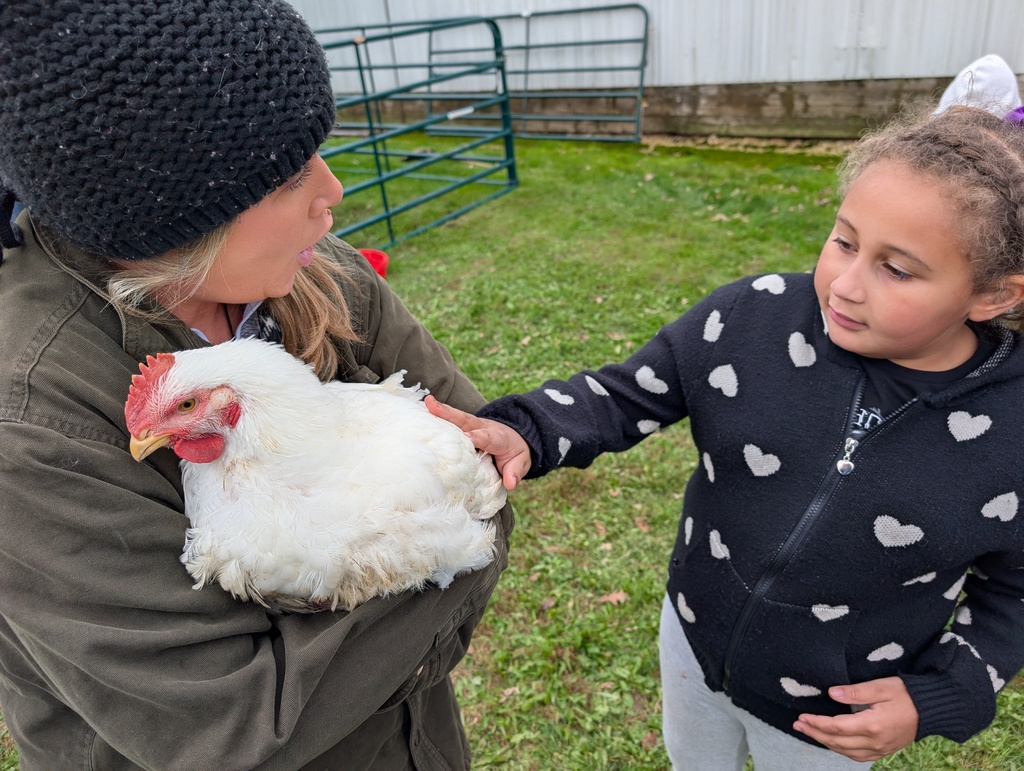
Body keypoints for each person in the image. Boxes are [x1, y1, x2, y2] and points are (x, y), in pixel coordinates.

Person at [428, 104, 1024, 769]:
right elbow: (625, 395)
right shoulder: (751, 316)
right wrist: (529, 431)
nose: (846, 285)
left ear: (993, 295)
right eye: (845, 240)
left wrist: (938, 695)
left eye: (899, 269)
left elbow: (1015, 593)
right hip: (691, 639)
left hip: (830, 716)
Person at [0, 1, 512, 769]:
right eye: (290, 173)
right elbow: (232, 724)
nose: (332, 192)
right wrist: (455, 543)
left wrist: (466, 511)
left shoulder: (318, 272)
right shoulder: (35, 421)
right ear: (172, 206)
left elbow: (486, 449)